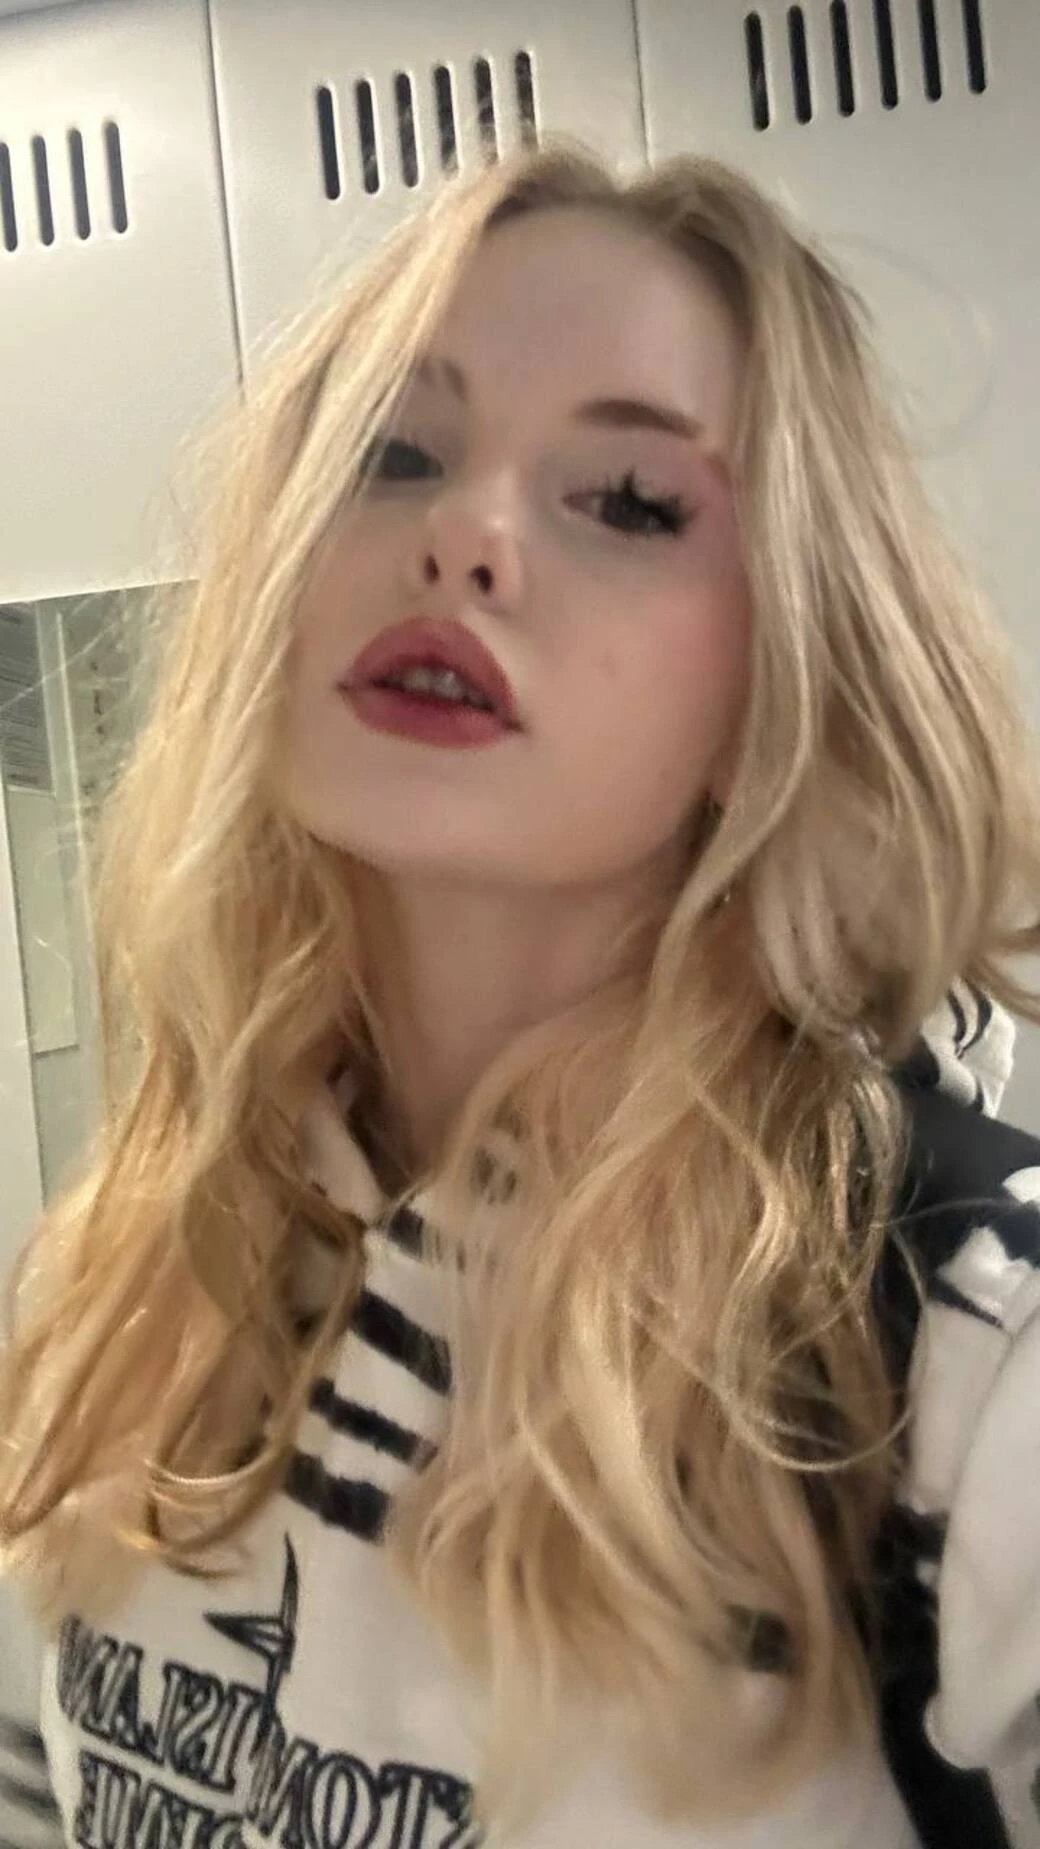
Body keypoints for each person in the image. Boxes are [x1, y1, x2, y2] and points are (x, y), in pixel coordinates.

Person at [2, 139, 1040, 1849]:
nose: (466, 535)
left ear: (780, 678)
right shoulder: (130, 1283)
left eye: (627, 501)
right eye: (393, 455)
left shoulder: (970, 1365)